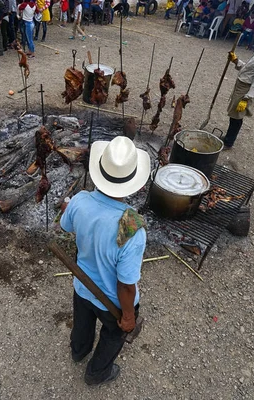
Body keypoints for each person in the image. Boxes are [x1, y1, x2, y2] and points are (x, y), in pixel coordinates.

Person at [60, 136, 150, 386]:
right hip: (112, 301)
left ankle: (78, 351)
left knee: (82, 321)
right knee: (113, 334)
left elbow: (66, 226)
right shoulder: (132, 228)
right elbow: (125, 285)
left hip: (83, 286)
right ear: (132, 184)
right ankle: (97, 372)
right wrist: (129, 316)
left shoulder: (79, 201)